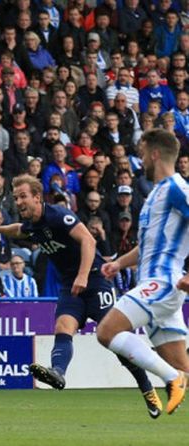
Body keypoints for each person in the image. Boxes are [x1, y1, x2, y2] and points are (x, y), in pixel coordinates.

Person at [0, 174, 159, 418]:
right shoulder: (32, 224)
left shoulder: (58, 215)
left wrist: (83, 276)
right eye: (16, 197)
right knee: (63, 326)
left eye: (23, 196)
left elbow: (88, 240)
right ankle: (58, 373)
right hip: (70, 285)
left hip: (94, 281)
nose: (18, 201)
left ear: (37, 197)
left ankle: (147, 389)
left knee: (116, 341)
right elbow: (19, 231)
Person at [97, 128, 189, 417]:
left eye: (141, 151)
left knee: (107, 331)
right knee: (182, 365)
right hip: (155, 285)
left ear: (155, 154)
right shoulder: (154, 194)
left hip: (162, 284)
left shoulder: (178, 188)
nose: (139, 158)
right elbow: (148, 246)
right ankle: (178, 375)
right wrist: (119, 264)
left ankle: (173, 380)